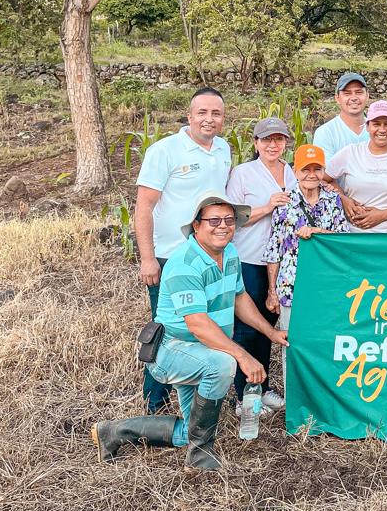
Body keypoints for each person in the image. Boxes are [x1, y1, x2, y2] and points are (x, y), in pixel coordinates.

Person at [92, 194, 287, 471]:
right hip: (174, 349)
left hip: (203, 349)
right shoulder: (184, 263)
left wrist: (270, 333)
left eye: (229, 220)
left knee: (191, 430)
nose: (223, 226)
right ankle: (200, 458)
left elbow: (240, 298)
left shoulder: (230, 253)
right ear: (196, 226)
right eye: (214, 220)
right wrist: (243, 357)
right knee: (223, 364)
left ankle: (112, 432)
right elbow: (197, 324)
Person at [133, 87, 232, 413]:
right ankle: (155, 403)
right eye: (202, 112)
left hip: (208, 254)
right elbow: (144, 207)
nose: (209, 119)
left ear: (222, 118)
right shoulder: (165, 151)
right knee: (167, 332)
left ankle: (200, 397)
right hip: (172, 257)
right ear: (189, 116)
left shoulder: (223, 149)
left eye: (215, 113)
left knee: (205, 323)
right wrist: (148, 258)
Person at [223, 116, 294, 414]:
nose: (273, 144)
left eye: (278, 139)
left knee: (270, 326)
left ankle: (262, 389)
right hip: (250, 258)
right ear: (255, 143)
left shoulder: (292, 172)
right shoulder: (242, 173)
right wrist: (268, 206)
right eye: (266, 139)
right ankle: (244, 396)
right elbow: (232, 216)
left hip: (281, 262)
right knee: (248, 328)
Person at [266, 144, 351, 332]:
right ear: (296, 171)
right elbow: (274, 252)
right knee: (292, 340)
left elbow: (344, 240)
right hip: (291, 285)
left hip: (326, 284)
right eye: (305, 169)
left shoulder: (333, 200)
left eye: (317, 169)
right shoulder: (284, 203)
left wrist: (319, 232)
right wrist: (272, 292)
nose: (311, 175)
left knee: (324, 337)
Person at [325, 101, 387, 233]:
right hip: (354, 236)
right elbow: (323, 178)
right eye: (376, 124)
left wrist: (383, 215)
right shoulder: (351, 152)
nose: (382, 130)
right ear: (367, 126)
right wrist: (343, 198)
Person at [312, 72, 369, 157]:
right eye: (347, 93)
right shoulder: (325, 133)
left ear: (367, 96)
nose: (353, 98)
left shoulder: (377, 130)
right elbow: (326, 169)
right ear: (337, 98)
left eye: (359, 92)